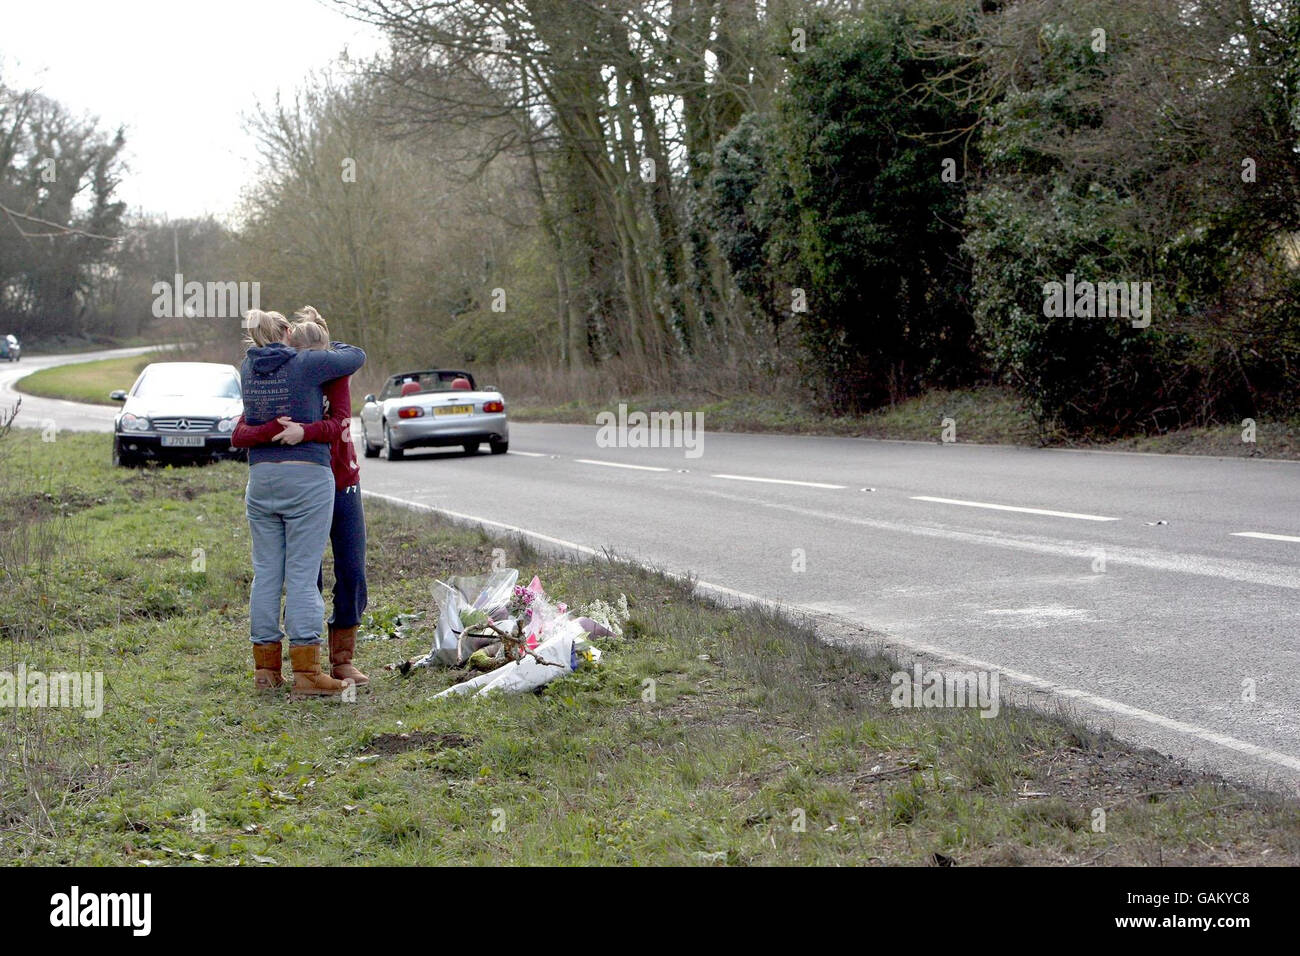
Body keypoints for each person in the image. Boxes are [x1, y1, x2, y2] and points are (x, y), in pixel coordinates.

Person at [233, 306, 369, 688]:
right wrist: (279, 429)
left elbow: (339, 423)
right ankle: (307, 669)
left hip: (340, 480)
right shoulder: (296, 369)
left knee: (348, 569)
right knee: (305, 574)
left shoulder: (325, 373)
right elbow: (239, 432)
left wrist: (302, 431)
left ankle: (335, 661)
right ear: (288, 338)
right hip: (310, 481)